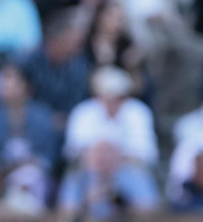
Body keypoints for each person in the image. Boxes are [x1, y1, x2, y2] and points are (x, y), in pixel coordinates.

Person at [59, 65, 161, 214]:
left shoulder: (138, 112)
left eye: (118, 96)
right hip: (90, 171)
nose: (112, 100)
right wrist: (100, 161)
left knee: (147, 203)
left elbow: (148, 153)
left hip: (127, 170)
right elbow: (72, 151)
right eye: (107, 94)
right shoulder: (83, 112)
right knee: (70, 201)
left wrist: (112, 158)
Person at [0, 62, 60, 175]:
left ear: (26, 86)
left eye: (8, 78)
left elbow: (49, 157)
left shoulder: (43, 116)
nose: (3, 83)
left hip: (35, 175)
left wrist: (31, 163)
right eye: (2, 78)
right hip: (0, 176)